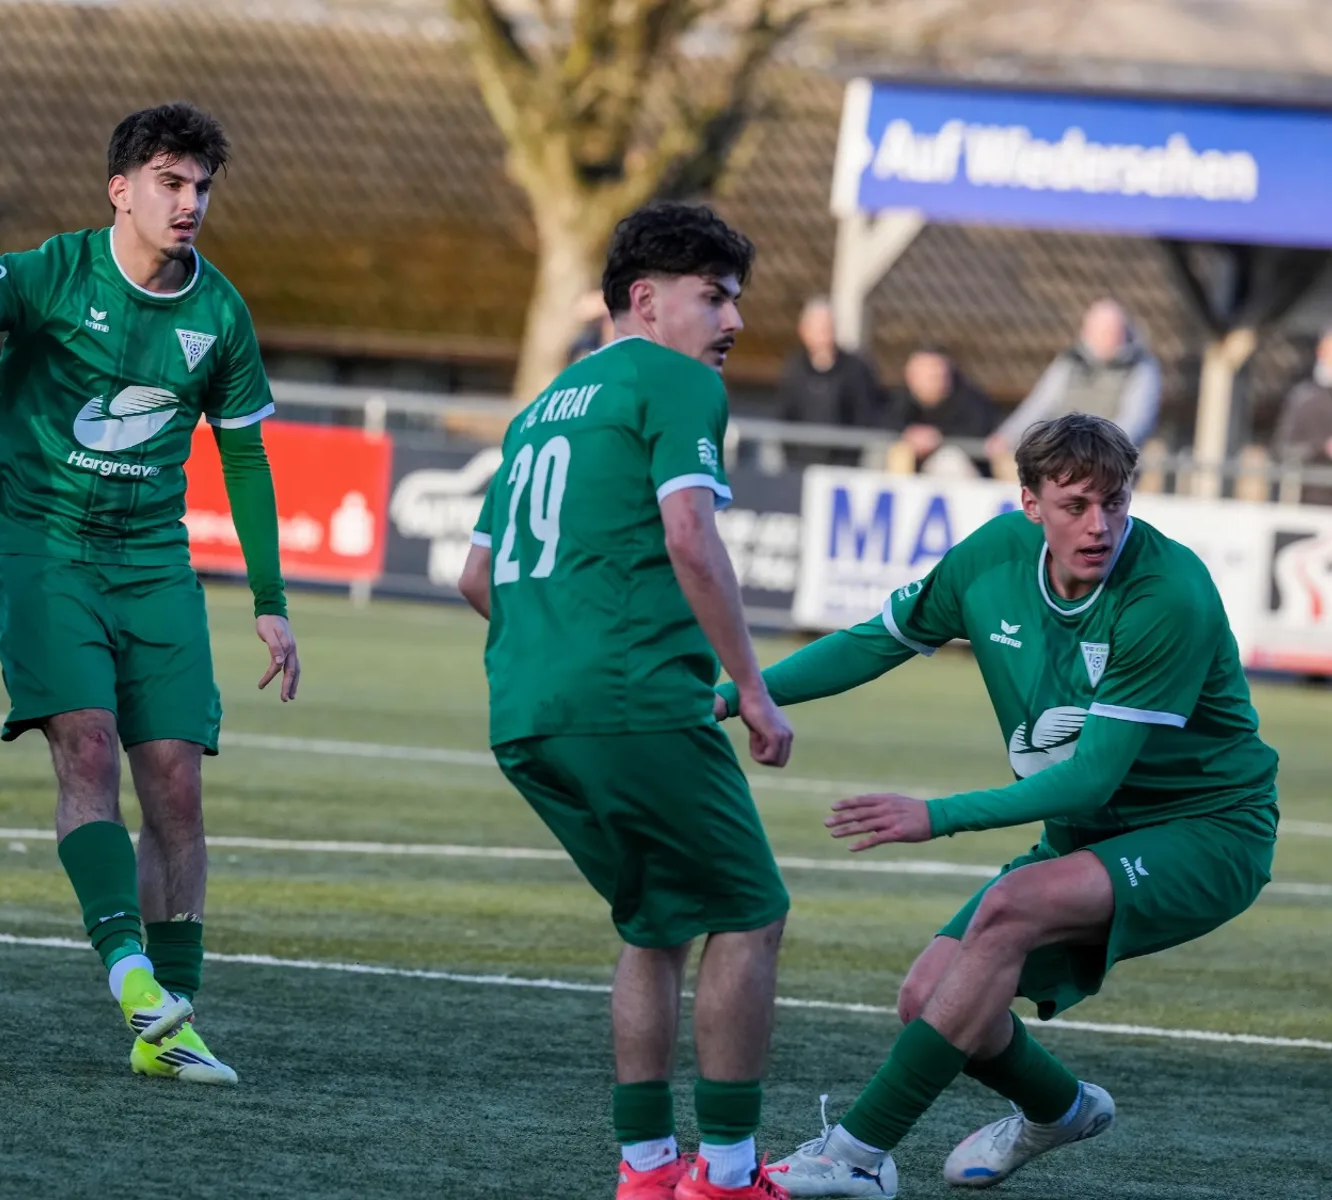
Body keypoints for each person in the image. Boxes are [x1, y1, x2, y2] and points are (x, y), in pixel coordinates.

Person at [0, 103, 297, 1085]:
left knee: (176, 781)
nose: (192, 204)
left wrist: (270, 596)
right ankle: (130, 972)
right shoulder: (54, 272)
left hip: (154, 563)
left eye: (203, 187)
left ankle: (173, 1028)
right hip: (47, 553)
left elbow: (248, 455)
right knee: (86, 747)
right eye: (173, 184)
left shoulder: (219, 312)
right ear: (121, 190)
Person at [714, 415, 1278, 1197]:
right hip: (1089, 836)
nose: (1100, 524)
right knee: (929, 1000)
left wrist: (935, 815)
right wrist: (741, 693)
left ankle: (855, 1159)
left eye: (1115, 502)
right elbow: (875, 640)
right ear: (1029, 503)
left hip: (1208, 832)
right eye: (1076, 504)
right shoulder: (991, 558)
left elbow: (1089, 781)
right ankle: (1062, 1109)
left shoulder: (1167, 592)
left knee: (1012, 906)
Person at [457, 202, 795, 1200]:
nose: (732, 320)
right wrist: (752, 687)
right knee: (751, 915)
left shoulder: (540, 406)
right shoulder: (676, 380)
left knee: (653, 926)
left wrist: (559, 649)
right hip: (635, 703)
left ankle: (647, 1168)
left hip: (525, 711)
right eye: (715, 296)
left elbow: (477, 578)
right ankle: (729, 1176)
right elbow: (691, 536)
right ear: (645, 300)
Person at [986, 299, 1160, 480]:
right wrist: (1007, 435)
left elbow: (1134, 420)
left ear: (1123, 332)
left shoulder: (1141, 367)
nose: (1106, 338)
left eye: (1111, 331)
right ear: (1086, 331)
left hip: (1111, 462)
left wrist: (1094, 450)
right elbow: (1040, 404)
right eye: (1100, 331)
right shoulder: (1069, 362)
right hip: (1064, 453)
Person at [773, 298, 889, 467]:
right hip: (799, 465)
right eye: (819, 328)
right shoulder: (794, 369)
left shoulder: (856, 369)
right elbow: (785, 414)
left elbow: (866, 413)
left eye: (828, 327)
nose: (825, 334)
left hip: (843, 467)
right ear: (804, 331)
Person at [883, 347, 998, 478]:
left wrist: (938, 438)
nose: (930, 380)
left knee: (949, 462)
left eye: (935, 374)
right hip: (911, 472)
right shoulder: (900, 400)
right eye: (922, 374)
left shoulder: (971, 401)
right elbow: (882, 424)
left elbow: (979, 434)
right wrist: (908, 435)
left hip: (965, 474)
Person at [1270, 329, 1332, 505]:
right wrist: (1322, 447)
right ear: (1321, 352)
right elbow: (1282, 449)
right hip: (1310, 501)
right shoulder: (1303, 397)